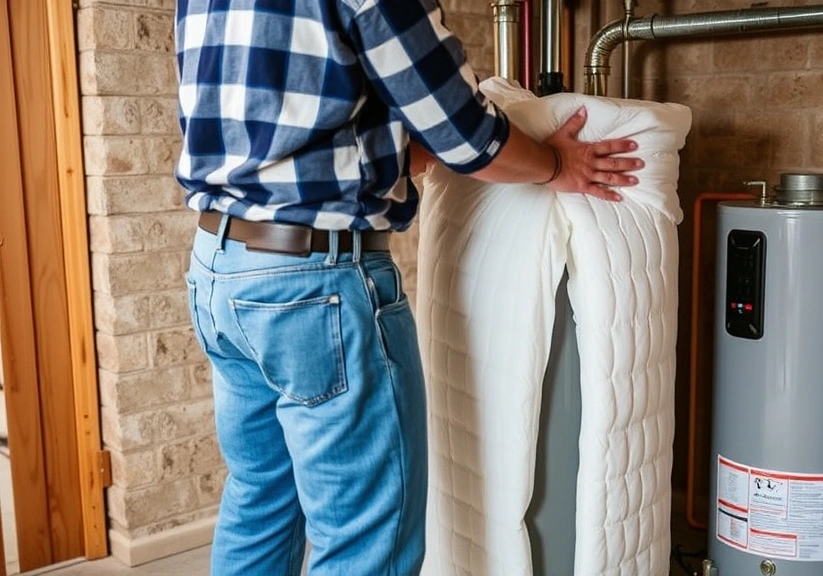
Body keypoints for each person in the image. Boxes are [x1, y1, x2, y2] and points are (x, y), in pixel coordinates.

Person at [174, 0, 644, 574]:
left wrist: (390, 150)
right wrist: (555, 165)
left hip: (220, 269)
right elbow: (466, 135)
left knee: (260, 502)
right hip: (314, 285)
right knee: (368, 539)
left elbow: (288, 117)